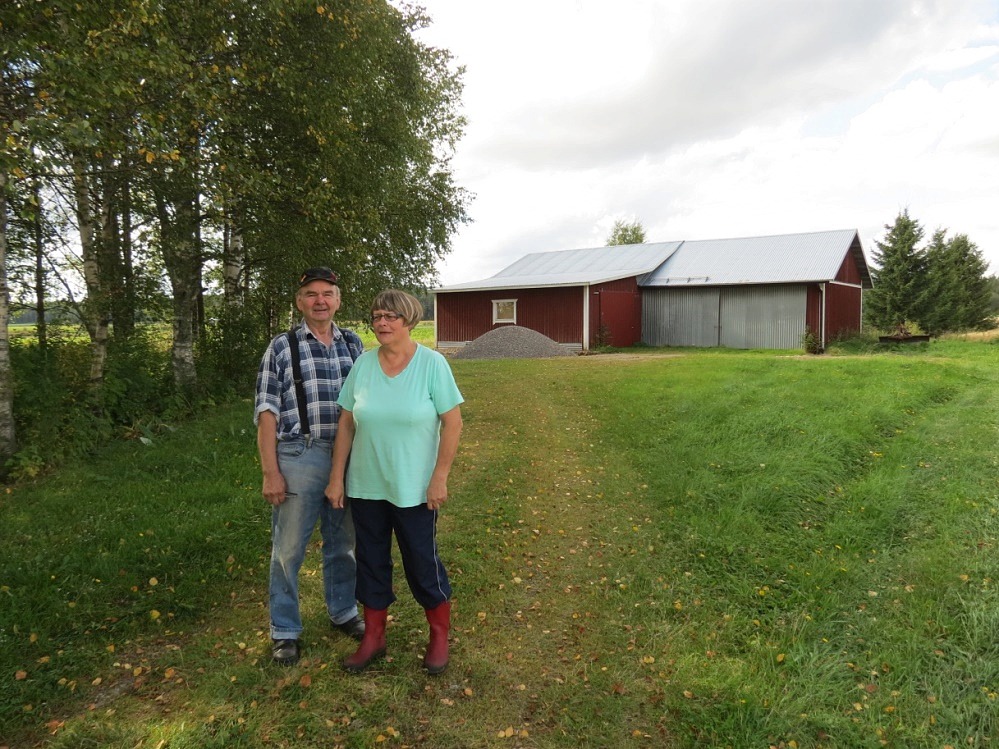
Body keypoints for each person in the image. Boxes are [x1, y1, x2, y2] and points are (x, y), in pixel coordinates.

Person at [326, 289, 463, 675]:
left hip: (415, 488)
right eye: (376, 316)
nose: (382, 323)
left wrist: (439, 477)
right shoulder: (363, 366)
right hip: (367, 484)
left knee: (422, 561)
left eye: (391, 316)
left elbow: (452, 423)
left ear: (409, 321)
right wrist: (337, 477)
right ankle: (374, 637)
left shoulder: (433, 365)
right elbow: (347, 422)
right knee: (370, 561)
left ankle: (438, 637)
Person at [255, 267, 366, 665]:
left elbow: (368, 402)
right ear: (299, 301)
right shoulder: (282, 347)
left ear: (338, 300)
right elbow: (266, 411)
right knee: (288, 550)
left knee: (344, 542)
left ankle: (343, 612)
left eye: (328, 293)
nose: (320, 300)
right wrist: (271, 471)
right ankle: (285, 630)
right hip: (300, 455)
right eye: (311, 294)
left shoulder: (354, 344)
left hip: (349, 456)